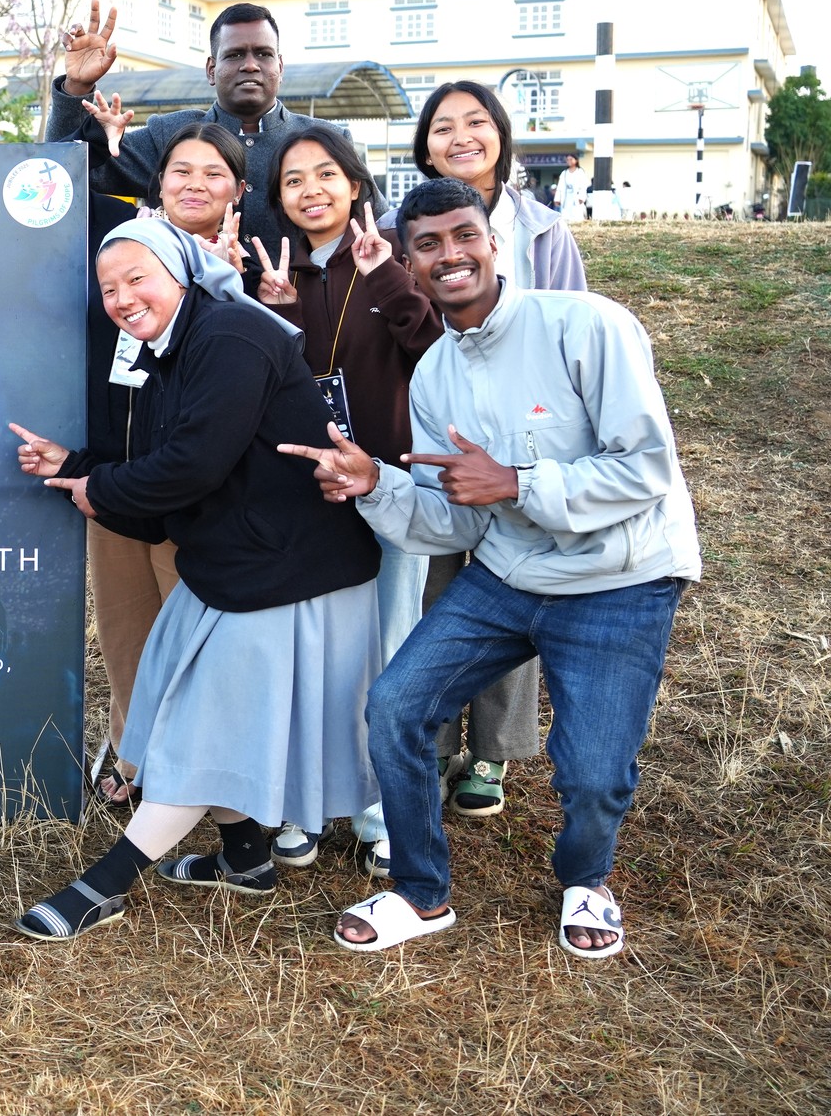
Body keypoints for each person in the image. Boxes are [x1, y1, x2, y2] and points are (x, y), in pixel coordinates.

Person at [283, 177, 700, 957]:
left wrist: (515, 481)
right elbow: (456, 520)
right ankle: (420, 890)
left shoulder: (588, 324)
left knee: (593, 771)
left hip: (621, 577)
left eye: (463, 235)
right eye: (428, 245)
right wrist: (376, 484)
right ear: (408, 264)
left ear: (493, 241)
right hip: (508, 574)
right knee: (396, 706)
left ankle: (587, 879)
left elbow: (647, 467)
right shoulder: (436, 373)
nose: (450, 255)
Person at [7, 219, 384, 940]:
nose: (122, 298)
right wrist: (76, 467)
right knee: (184, 708)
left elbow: (192, 465)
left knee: (202, 731)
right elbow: (165, 462)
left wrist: (99, 486)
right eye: (108, 288)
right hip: (237, 563)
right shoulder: (172, 350)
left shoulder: (232, 335)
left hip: (289, 569)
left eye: (137, 278)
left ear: (181, 273)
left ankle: (105, 885)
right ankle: (245, 858)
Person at [389, 80, 587, 821]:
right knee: (437, 586)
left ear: (502, 134)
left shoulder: (541, 228)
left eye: (476, 122)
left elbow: (575, 318)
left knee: (518, 576)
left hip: (530, 434)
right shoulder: (397, 225)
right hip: (438, 420)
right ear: (425, 146)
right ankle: (435, 736)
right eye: (443, 126)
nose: (461, 136)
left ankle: (494, 750)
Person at [252, 125, 444, 877]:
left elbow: (435, 355)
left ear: (356, 184)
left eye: (326, 173)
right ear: (279, 199)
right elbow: (283, 387)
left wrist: (385, 276)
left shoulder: (393, 261)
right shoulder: (275, 274)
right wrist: (275, 309)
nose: (312, 190)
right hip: (310, 496)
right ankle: (303, 806)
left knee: (392, 654)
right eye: (294, 179)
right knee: (312, 655)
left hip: (391, 489)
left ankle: (381, 813)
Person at [71, 116, 252, 805]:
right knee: (125, 629)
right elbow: (61, 179)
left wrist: (233, 289)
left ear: (238, 190)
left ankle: (209, 771)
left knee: (198, 638)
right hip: (113, 479)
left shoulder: (251, 263)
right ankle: (132, 751)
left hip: (196, 493)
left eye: (214, 173)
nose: (195, 184)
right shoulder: (118, 247)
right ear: (159, 182)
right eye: (181, 170)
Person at [49, 0, 324, 274]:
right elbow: (60, 174)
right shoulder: (170, 134)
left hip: (300, 302)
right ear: (211, 70)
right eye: (235, 55)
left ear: (280, 66)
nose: (250, 65)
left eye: (263, 54)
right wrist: (77, 88)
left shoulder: (324, 142)